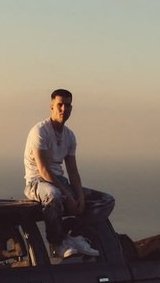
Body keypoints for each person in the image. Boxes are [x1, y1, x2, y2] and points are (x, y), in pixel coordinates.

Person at [23, 88, 115, 258]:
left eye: (68, 105)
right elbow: (44, 171)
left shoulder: (70, 136)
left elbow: (72, 171)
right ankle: (56, 243)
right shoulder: (40, 132)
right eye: (60, 105)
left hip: (60, 182)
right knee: (54, 195)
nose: (63, 109)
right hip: (37, 182)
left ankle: (75, 235)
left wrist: (79, 196)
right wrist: (69, 197)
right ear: (51, 107)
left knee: (106, 200)